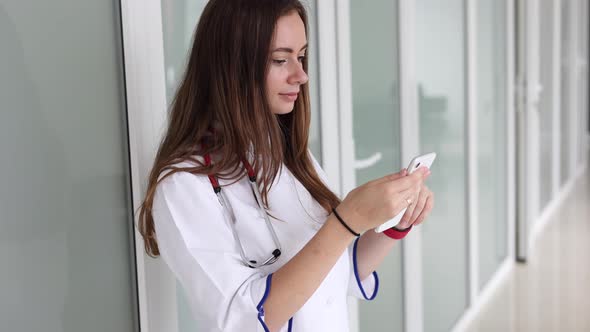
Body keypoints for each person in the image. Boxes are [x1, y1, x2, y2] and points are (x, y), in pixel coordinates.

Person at [138, 1, 434, 331]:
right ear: (232, 65)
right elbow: (241, 319)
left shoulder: (288, 156)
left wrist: (395, 224)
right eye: (281, 59)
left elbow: (338, 272)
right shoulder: (182, 186)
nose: (301, 75)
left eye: (301, 56)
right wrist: (346, 220)